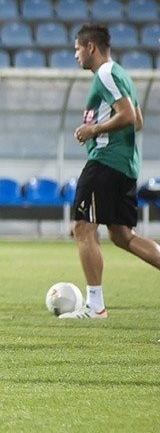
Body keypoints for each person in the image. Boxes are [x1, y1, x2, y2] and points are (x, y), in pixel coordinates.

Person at [61, 23, 160, 319]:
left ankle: (95, 305)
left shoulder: (105, 74)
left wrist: (94, 129)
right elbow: (138, 120)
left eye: (78, 48)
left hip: (106, 161)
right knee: (121, 235)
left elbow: (128, 116)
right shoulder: (121, 74)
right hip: (125, 164)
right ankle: (94, 303)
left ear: (91, 47)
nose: (75, 54)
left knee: (82, 226)